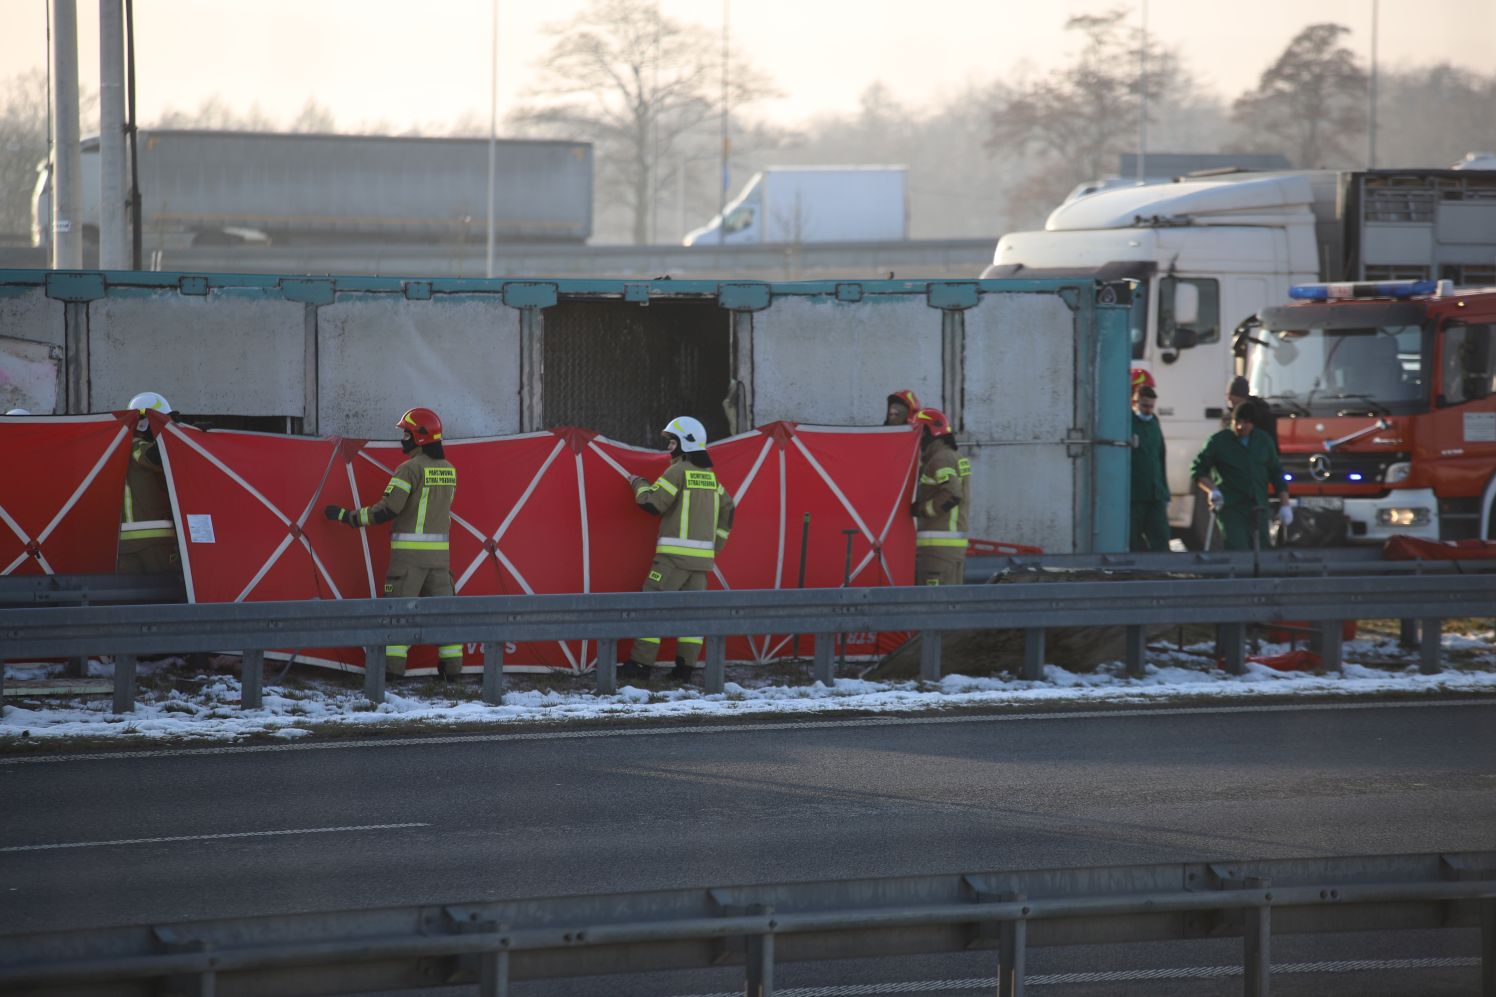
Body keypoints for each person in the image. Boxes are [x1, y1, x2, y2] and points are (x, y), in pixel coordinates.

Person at [324, 407, 462, 680]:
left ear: (419, 438)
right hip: (440, 561)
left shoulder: (409, 469)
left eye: (406, 434)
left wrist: (347, 517)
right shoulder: (448, 469)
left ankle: (391, 674)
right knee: (447, 618)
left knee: (396, 616)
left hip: (408, 561)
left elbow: (388, 509)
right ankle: (452, 673)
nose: (402, 439)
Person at [619, 416, 735, 684]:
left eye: (672, 442)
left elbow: (651, 504)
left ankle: (640, 665)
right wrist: (714, 547)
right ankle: (685, 669)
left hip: (672, 561)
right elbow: (729, 511)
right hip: (701, 565)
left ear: (685, 443)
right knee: (692, 616)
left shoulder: (678, 471)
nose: (669, 447)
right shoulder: (710, 477)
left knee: (653, 607)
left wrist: (637, 483)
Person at [1191, 402, 1292, 551]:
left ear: (1253, 423)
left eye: (1246, 422)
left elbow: (1276, 473)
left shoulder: (1263, 441)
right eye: (1237, 422)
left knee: (1262, 550)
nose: (1240, 427)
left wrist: (1285, 504)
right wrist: (1212, 490)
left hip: (1258, 507)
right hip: (1232, 508)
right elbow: (1198, 469)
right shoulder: (1218, 441)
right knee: (1238, 548)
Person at [117, 391, 182, 575]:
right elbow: (153, 456)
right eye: (160, 421)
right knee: (166, 598)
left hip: (129, 543)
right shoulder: (134, 445)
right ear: (144, 422)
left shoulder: (120, 444)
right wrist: (175, 431)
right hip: (154, 538)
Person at [910, 408, 970, 585]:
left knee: (931, 606)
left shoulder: (940, 459)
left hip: (936, 551)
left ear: (928, 432)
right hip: (950, 549)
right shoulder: (953, 456)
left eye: (917, 432)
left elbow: (952, 493)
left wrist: (920, 509)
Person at [1129, 385, 1170, 551]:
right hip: (1135, 495)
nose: (1148, 410)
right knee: (1133, 539)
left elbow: (1160, 457)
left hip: (1156, 493)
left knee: (1161, 536)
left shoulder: (1154, 422)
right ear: (1135, 403)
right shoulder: (1127, 423)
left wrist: (1165, 491)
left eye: (1151, 406)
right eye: (1144, 406)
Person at [1227, 375, 1276, 447]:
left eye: (1231, 396)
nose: (1229, 399)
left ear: (1241, 396)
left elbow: (1271, 444)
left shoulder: (1262, 415)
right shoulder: (1230, 415)